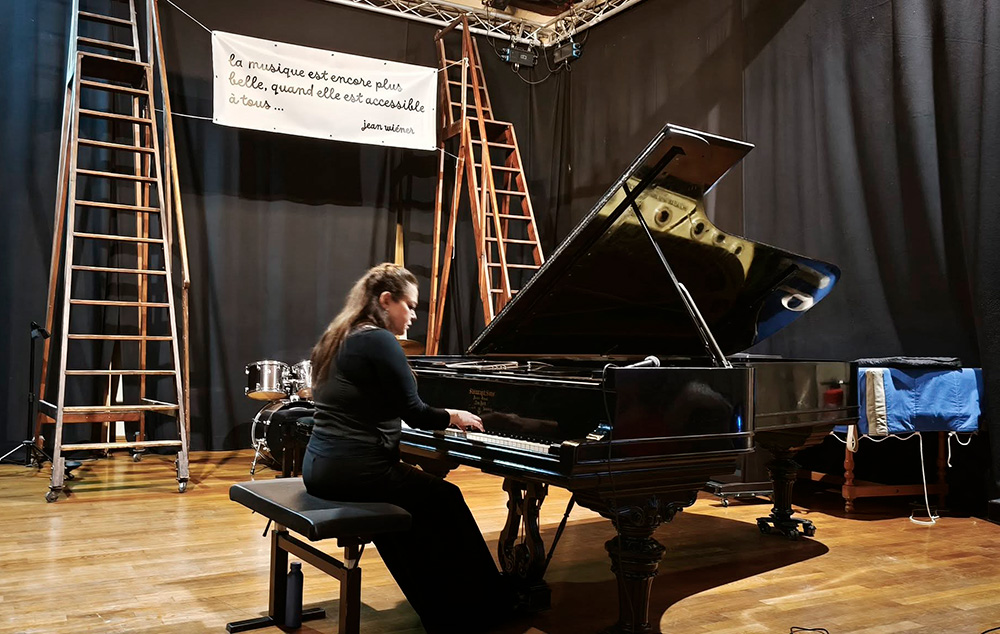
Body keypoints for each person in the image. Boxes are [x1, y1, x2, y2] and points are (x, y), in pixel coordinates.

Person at [303, 263, 513, 634]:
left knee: (410, 513)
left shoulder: (340, 335)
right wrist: (453, 415)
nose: (414, 315)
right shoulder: (379, 340)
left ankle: (441, 608)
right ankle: (489, 606)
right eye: (410, 306)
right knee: (447, 498)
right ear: (386, 300)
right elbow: (415, 414)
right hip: (358, 471)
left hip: (320, 468)